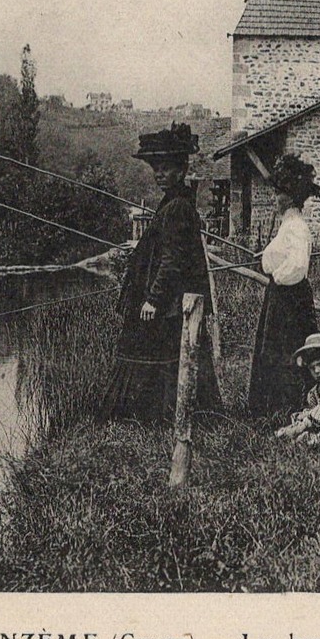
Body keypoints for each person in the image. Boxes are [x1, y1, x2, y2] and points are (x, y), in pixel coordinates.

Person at [97, 123, 221, 424]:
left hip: (167, 304)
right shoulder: (174, 203)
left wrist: (153, 299)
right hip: (170, 301)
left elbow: (173, 261)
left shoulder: (177, 207)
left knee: (156, 353)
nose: (159, 174)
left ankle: (152, 417)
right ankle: (160, 415)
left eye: (166, 168)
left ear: (180, 170)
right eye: (156, 169)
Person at [247, 154, 320, 417]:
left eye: (277, 193)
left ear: (289, 197)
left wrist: (277, 276)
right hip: (282, 294)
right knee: (276, 348)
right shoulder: (288, 225)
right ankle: (274, 404)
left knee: (288, 348)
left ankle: (288, 404)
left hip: (290, 296)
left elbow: (298, 266)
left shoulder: (296, 227)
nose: (274, 199)